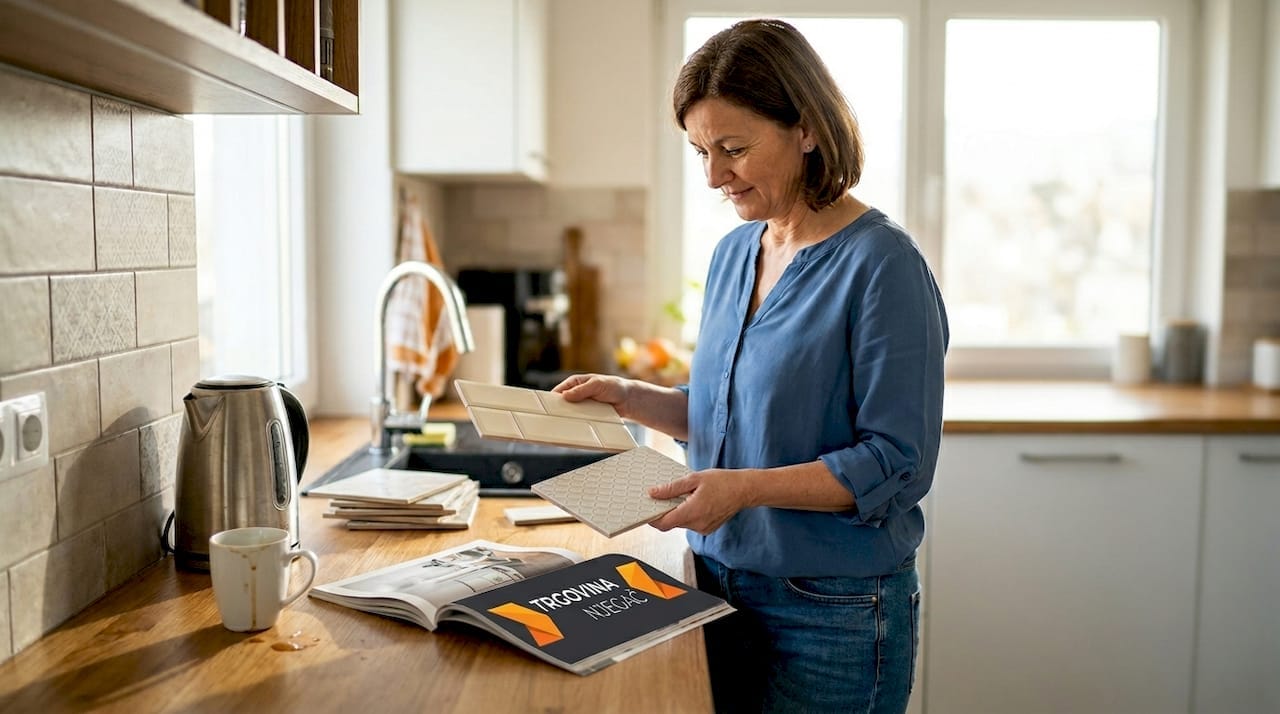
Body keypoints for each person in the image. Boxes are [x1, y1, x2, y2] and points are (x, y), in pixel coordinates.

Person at [554, 18, 948, 714]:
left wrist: (743, 490)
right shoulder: (735, 253)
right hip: (716, 584)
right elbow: (734, 415)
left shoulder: (883, 265)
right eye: (700, 152)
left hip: (831, 611)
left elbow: (896, 464)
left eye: (733, 149)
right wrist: (632, 397)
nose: (714, 176)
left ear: (807, 129)